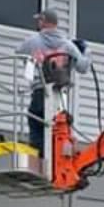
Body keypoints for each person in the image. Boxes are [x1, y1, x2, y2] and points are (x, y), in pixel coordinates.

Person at [14, 8, 91, 154]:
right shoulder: (68, 45)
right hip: (59, 98)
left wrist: (34, 58)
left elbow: (18, 52)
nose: (37, 23)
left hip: (39, 93)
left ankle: (40, 158)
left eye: (39, 20)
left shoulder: (33, 41)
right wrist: (87, 51)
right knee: (58, 133)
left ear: (43, 21)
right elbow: (83, 67)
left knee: (36, 129)